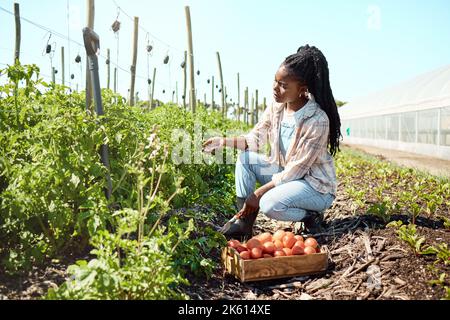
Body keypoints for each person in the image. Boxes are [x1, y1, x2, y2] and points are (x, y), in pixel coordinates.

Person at [203, 45, 341, 240]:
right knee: (246, 159)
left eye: (284, 85)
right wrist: (222, 141)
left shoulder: (317, 120)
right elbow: (254, 140)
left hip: (314, 186)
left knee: (268, 204)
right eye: (275, 81)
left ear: (302, 89)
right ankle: (244, 224)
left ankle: (311, 215)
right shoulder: (277, 108)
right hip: (287, 176)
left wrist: (258, 195)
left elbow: (296, 170)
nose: (276, 88)